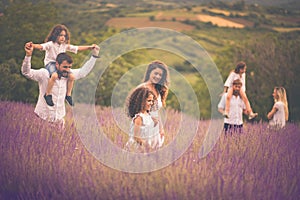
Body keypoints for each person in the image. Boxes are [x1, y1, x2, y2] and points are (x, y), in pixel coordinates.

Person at [21, 42, 100, 124]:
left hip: (59, 120)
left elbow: (83, 72)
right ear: (57, 65)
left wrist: (94, 56)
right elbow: (26, 72)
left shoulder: (69, 75)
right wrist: (28, 56)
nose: (67, 69)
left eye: (69, 67)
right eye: (65, 67)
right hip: (42, 119)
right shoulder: (44, 74)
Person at [29, 24, 96, 106]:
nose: (63, 37)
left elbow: (77, 48)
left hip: (61, 64)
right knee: (54, 75)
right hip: (51, 64)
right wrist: (32, 45)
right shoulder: (50, 44)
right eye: (60, 35)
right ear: (55, 35)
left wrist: (90, 47)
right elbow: (40, 46)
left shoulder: (64, 45)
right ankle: (47, 94)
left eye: (64, 36)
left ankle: (68, 95)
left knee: (71, 77)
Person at [136, 60, 170, 147]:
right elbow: (136, 111)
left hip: (155, 129)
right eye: (155, 73)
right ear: (149, 72)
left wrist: (161, 128)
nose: (157, 76)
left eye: (160, 75)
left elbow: (156, 112)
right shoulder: (142, 88)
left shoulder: (158, 90)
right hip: (144, 127)